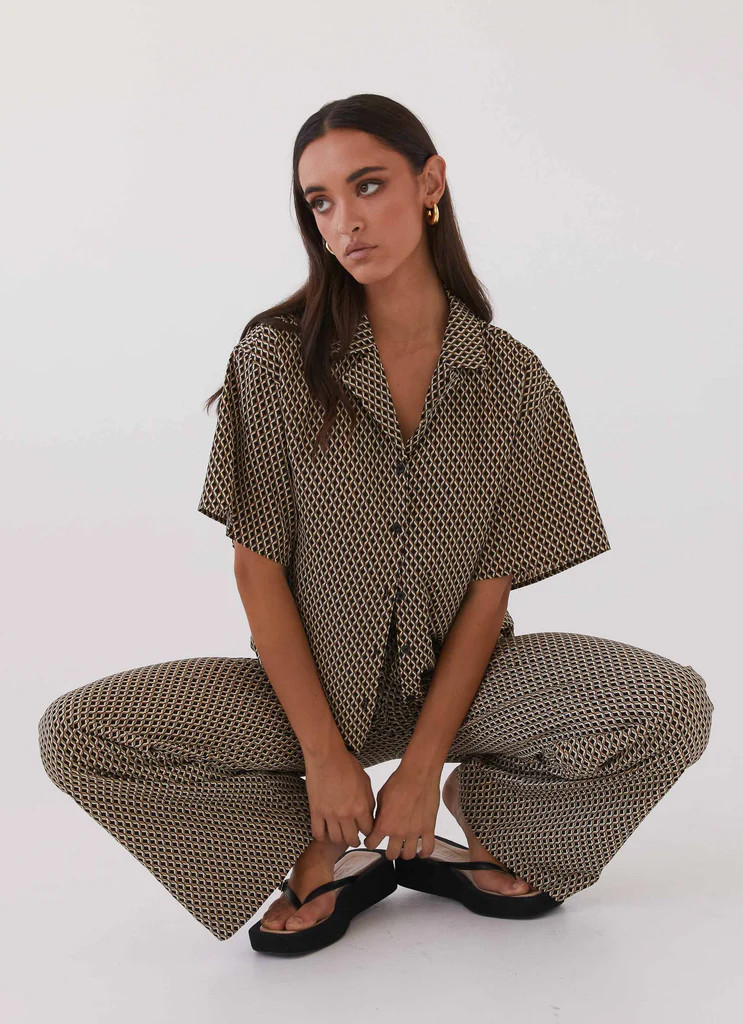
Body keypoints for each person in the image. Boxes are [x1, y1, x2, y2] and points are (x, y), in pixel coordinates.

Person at [38, 93, 714, 951]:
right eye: (319, 202)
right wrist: (324, 758)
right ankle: (314, 845)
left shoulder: (512, 382)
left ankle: (477, 823)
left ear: (429, 183)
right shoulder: (274, 362)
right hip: (299, 698)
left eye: (367, 186)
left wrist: (424, 769)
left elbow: (489, 592)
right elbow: (256, 569)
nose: (345, 221)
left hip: (466, 690)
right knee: (77, 734)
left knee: (669, 706)